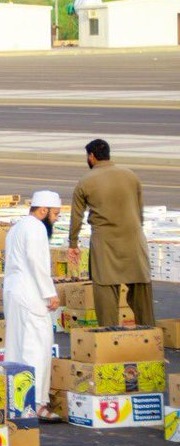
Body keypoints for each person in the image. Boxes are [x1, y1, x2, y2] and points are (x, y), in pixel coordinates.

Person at [68, 138, 154, 326]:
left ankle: (110, 340)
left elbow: (77, 217)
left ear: (91, 157)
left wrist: (73, 244)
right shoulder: (131, 175)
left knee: (106, 294)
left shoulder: (85, 181)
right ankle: (149, 337)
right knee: (142, 293)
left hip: (105, 245)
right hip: (134, 240)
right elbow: (140, 212)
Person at [4, 191, 62, 421]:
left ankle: (16, 401)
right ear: (43, 210)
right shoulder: (36, 228)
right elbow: (37, 264)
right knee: (36, 348)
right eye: (55, 214)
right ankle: (35, 403)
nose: (56, 219)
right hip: (31, 294)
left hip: (15, 291)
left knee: (16, 346)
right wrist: (50, 293)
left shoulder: (17, 227)